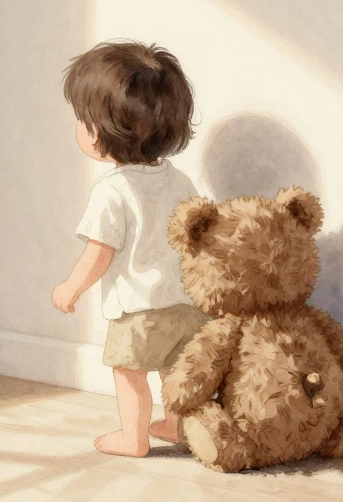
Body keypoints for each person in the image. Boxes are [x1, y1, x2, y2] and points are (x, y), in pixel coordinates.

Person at [52, 41, 211, 458]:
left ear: (104, 134)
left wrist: (71, 287)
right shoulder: (180, 181)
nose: (80, 128)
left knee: (130, 371)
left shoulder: (112, 191)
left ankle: (133, 438)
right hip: (186, 305)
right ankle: (175, 426)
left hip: (138, 310)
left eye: (84, 121)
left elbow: (100, 252)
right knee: (174, 370)